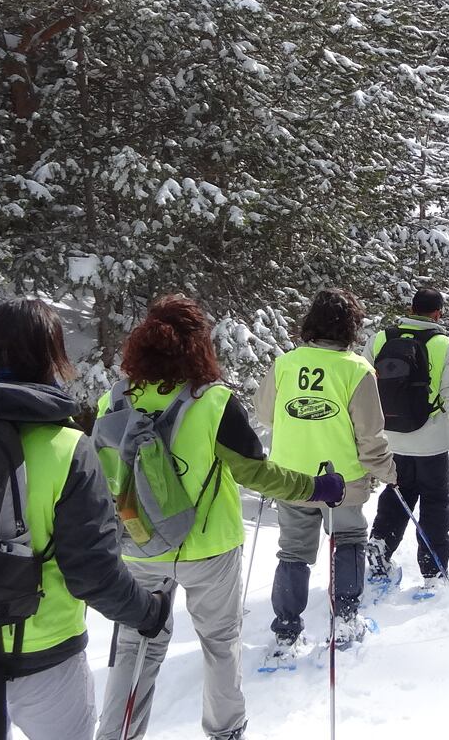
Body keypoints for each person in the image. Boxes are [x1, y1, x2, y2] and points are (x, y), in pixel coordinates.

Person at [0, 298, 169, 740]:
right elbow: (93, 574)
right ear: (51, 359)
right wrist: (148, 612)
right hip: (39, 654)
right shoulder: (66, 448)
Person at [94, 296, 341, 740]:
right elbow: (257, 473)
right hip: (209, 546)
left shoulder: (113, 400)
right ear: (198, 346)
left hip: (138, 544)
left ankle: (117, 733)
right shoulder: (213, 403)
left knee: (133, 645)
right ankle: (225, 731)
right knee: (219, 643)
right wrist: (318, 488)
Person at [260, 288, 397, 654]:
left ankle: (286, 630)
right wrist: (388, 471)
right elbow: (370, 436)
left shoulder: (285, 364)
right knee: (349, 540)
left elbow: (264, 413)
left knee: (292, 551)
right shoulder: (356, 370)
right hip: (342, 480)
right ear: (351, 327)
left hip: (291, 476)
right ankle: (346, 620)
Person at [366, 288, 449, 593]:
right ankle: (433, 570)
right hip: (431, 444)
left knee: (396, 497)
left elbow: (361, 385)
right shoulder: (444, 345)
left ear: (410, 308)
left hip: (391, 440)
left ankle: (380, 547)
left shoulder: (380, 339)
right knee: (434, 504)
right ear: (438, 314)